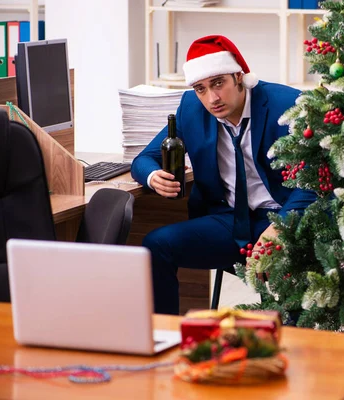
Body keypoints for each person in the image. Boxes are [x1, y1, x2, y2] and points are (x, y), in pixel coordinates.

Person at [131, 35, 317, 315]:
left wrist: (280, 227)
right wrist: (152, 175)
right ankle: (165, 336)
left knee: (290, 298)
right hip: (231, 221)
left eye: (218, 83)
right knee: (155, 245)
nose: (212, 98)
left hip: (285, 216)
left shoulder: (287, 104)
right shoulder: (191, 109)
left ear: (238, 76)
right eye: (201, 89)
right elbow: (144, 159)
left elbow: (313, 180)